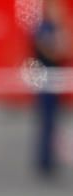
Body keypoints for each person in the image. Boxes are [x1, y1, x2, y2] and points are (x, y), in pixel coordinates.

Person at [33, 0, 70, 178]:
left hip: (54, 83)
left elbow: (66, 50)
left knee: (53, 122)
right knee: (46, 122)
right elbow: (52, 51)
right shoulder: (44, 28)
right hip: (45, 82)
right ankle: (44, 162)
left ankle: (49, 160)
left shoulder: (56, 28)